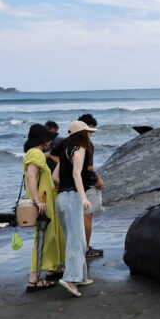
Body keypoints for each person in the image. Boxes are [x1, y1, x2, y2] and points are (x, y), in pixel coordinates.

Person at [22, 124, 65, 292]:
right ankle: (34, 280)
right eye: (48, 139)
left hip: (45, 201)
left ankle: (51, 269)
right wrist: (38, 200)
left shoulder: (35, 154)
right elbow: (32, 176)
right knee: (42, 240)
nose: (50, 142)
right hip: (42, 204)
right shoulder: (36, 154)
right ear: (42, 140)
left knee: (47, 238)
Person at [54, 120, 95, 297]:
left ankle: (82, 277)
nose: (90, 135)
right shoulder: (80, 149)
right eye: (88, 132)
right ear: (82, 134)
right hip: (72, 198)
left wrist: (65, 186)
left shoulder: (65, 151)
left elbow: (55, 176)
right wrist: (83, 197)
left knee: (76, 239)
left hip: (61, 197)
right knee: (76, 240)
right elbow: (76, 173)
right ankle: (70, 279)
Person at [77, 113, 104, 259]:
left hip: (73, 186)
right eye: (90, 130)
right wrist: (98, 181)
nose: (91, 134)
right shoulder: (87, 144)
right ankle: (86, 249)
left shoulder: (69, 142)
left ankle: (78, 247)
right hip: (86, 185)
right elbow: (89, 168)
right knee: (87, 216)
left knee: (77, 218)